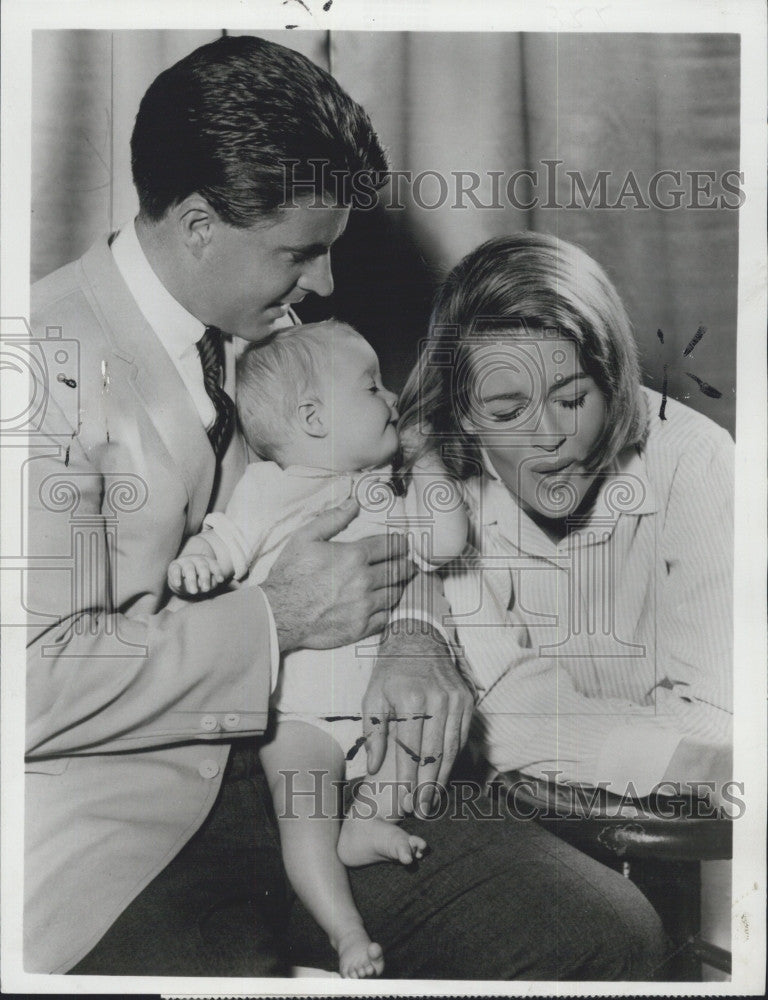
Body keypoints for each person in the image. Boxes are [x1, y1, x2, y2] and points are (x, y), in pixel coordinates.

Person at [25, 36, 666, 979]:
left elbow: (386, 505)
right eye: (301, 252)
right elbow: (30, 691)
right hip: (123, 831)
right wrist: (276, 620)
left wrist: (411, 629)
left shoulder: (276, 331)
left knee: (606, 933)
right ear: (198, 225)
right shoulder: (36, 365)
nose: (324, 284)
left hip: (337, 766)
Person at [169, 321, 469, 978]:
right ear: (312, 416)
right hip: (294, 717)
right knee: (301, 817)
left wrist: (426, 461)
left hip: (374, 702)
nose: (391, 397)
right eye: (372, 386)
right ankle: (344, 929)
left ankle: (367, 822)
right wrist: (198, 563)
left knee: (417, 745)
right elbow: (224, 543)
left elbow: (445, 541)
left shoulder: (386, 488)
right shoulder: (271, 489)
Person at [398, 231, 733, 805]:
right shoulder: (442, 497)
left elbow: (728, 717)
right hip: (514, 819)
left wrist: (579, 740)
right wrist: (672, 757)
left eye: (573, 400)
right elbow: (498, 712)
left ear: (614, 380)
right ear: (464, 414)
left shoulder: (696, 460)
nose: (550, 439)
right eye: (507, 410)